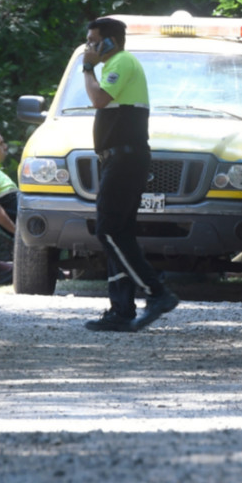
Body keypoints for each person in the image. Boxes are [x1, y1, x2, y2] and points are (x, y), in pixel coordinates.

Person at [80, 17, 178, 332]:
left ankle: (157, 292)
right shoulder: (116, 64)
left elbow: (98, 99)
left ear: (110, 42)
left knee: (108, 231)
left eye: (94, 40)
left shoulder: (121, 62)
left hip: (125, 159)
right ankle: (121, 309)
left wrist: (87, 67)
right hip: (116, 160)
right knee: (119, 234)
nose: (89, 46)